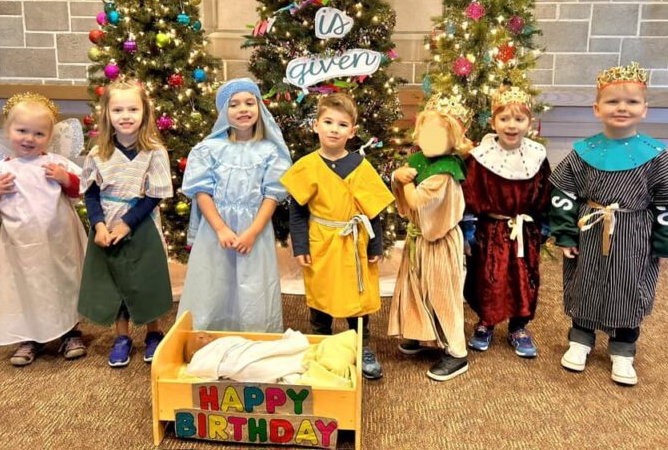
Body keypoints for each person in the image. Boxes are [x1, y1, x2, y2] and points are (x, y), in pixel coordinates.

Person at [549, 62, 668, 385]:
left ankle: (623, 348)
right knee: (584, 281)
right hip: (590, 229)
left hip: (633, 234)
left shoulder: (654, 155)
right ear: (597, 108)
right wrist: (564, 232)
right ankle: (580, 339)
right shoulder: (582, 152)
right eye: (613, 101)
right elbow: (563, 194)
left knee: (630, 286)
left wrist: (667, 238)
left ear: (644, 109)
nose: (622, 108)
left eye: (632, 102)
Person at [281, 93, 394, 380]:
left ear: (352, 132)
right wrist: (300, 245)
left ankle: (361, 345)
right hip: (322, 241)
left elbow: (373, 212)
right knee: (321, 295)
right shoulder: (307, 166)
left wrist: (376, 244)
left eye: (342, 124)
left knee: (357, 298)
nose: (334, 129)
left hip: (354, 242)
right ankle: (320, 342)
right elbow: (297, 212)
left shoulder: (360, 165)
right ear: (316, 126)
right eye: (328, 122)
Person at [0, 93, 87, 366]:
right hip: (21, 247)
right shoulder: (0, 171)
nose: (29, 138)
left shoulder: (55, 164)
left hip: (59, 243)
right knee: (25, 287)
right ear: (8, 130)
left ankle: (70, 332)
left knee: (63, 284)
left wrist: (65, 179)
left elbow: (81, 189)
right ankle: (29, 337)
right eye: (22, 130)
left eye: (39, 133)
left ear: (49, 136)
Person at [178, 78, 291, 332]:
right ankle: (206, 335)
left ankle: (254, 337)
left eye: (250, 103)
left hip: (255, 229)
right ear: (223, 112)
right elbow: (202, 192)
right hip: (216, 229)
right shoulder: (209, 149)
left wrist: (252, 232)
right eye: (234, 104)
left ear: (259, 107)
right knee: (213, 282)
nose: (243, 109)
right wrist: (220, 228)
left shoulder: (270, 151)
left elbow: (271, 196)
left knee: (253, 284)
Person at [79, 79, 174, 368]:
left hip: (140, 222)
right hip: (107, 223)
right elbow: (91, 194)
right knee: (115, 281)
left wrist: (126, 224)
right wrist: (99, 226)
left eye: (133, 108)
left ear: (145, 112)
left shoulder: (154, 151)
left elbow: (155, 196)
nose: (126, 115)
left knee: (144, 281)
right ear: (106, 113)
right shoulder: (98, 153)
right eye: (118, 109)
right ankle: (122, 337)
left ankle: (153, 333)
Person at [389, 93, 473, 381]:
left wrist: (404, 180)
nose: (430, 139)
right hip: (419, 240)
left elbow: (417, 202)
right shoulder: (420, 159)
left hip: (438, 241)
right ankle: (418, 330)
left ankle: (455, 351)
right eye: (426, 131)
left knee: (441, 293)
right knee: (413, 287)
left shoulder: (445, 173)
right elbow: (402, 186)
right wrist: (397, 176)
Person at [462, 86, 551, 358]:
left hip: (524, 230)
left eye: (519, 119)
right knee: (487, 278)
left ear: (529, 123)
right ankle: (486, 321)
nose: (511, 126)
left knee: (524, 277)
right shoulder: (481, 158)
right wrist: (469, 228)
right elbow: (470, 193)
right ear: (493, 122)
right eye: (504, 119)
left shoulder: (536, 156)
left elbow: (545, 191)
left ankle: (518, 326)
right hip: (490, 230)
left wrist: (543, 225)